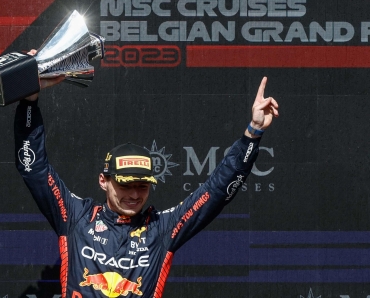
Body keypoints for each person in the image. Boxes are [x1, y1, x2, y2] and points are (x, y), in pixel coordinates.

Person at [14, 50, 279, 298]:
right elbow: (33, 168)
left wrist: (252, 133)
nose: (133, 194)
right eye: (125, 185)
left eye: (142, 186)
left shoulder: (161, 229)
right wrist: (28, 99)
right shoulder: (76, 218)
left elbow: (216, 192)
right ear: (103, 181)